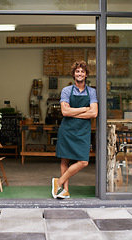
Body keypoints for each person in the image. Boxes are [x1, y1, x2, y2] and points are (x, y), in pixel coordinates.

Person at [52, 61, 98, 199]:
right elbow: (65, 112)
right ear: (73, 74)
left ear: (86, 74)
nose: (80, 74)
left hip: (83, 131)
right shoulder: (66, 90)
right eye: (77, 71)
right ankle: (65, 190)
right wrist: (84, 109)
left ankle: (58, 182)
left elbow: (94, 113)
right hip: (67, 130)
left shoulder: (92, 91)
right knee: (65, 160)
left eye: (82, 71)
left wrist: (73, 112)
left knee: (83, 161)